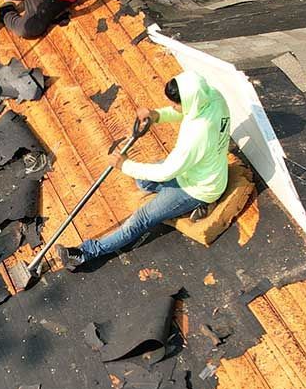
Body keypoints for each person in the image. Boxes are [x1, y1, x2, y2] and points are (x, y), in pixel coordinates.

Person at [59, 71, 231, 270]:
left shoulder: (198, 134)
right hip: (197, 168)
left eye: (176, 104)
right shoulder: (213, 97)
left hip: (198, 187)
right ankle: (186, 206)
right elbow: (186, 110)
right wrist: (157, 115)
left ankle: (86, 253)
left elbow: (166, 172)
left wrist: (125, 165)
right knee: (143, 182)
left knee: (141, 219)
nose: (174, 107)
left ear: (190, 101)